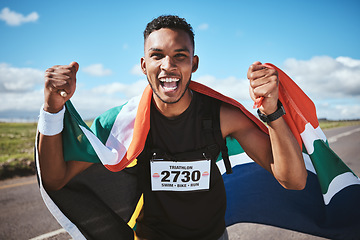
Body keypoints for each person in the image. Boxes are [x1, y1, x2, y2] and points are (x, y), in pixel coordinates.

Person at [38, 15, 307, 240]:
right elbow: (55, 179)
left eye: (180, 55)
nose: (168, 66)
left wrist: (272, 111)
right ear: (144, 66)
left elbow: (293, 180)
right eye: (157, 56)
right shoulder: (122, 122)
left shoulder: (222, 116)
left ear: (194, 63)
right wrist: (52, 109)